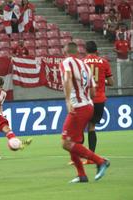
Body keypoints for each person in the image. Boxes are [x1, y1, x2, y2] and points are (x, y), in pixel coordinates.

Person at [60, 42, 110, 183]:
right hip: (88, 105)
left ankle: (100, 161)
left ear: (65, 51)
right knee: (72, 143)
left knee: (65, 143)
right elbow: (93, 91)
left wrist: (69, 101)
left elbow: (67, 78)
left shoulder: (67, 62)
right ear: (77, 51)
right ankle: (82, 175)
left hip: (78, 107)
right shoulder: (85, 66)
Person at [82, 41, 114, 165]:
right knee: (92, 127)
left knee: (80, 128)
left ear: (86, 50)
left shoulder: (82, 62)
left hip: (86, 100)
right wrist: (102, 82)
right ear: (97, 50)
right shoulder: (104, 62)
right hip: (99, 99)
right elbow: (111, 82)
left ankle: (77, 158)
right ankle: (91, 158)